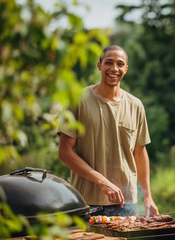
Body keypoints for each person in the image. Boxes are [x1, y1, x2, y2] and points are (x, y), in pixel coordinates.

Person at [58, 45, 159, 217]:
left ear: (126, 69)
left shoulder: (136, 105)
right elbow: (64, 152)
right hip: (86, 203)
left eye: (120, 64)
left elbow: (140, 153)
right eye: (109, 63)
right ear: (99, 65)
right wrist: (102, 181)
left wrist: (148, 196)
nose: (114, 69)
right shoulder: (78, 101)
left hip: (125, 204)